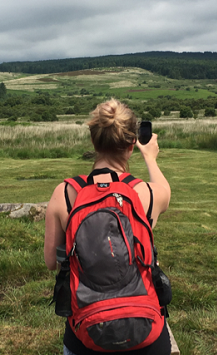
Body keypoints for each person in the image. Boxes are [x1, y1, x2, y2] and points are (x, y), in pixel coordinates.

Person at [44, 98, 172, 355]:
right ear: (131, 145)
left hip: (86, 333)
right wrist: (150, 157)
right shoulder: (146, 194)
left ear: (93, 142)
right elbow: (165, 189)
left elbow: (51, 262)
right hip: (146, 333)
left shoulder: (66, 194)